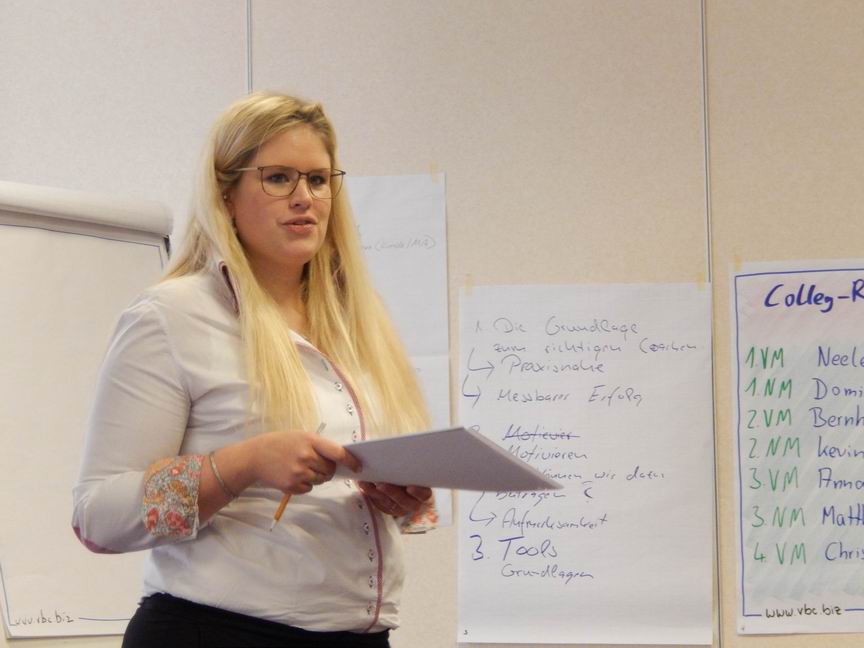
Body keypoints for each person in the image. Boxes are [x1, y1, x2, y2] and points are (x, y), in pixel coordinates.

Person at [72, 92, 437, 648]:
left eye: (318, 180)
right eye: (278, 178)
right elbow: (98, 517)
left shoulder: (357, 323)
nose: (304, 198)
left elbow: (369, 503)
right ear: (226, 195)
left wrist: (405, 501)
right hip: (218, 633)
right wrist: (244, 463)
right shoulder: (172, 316)